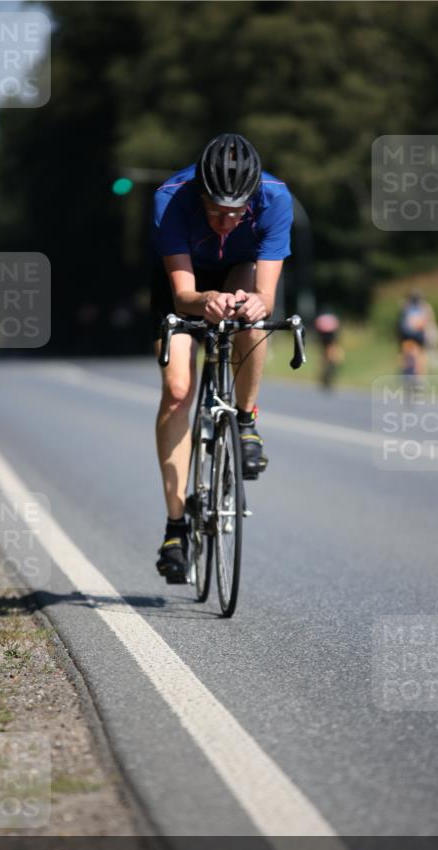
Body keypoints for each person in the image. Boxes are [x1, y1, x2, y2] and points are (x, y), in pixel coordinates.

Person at [151, 133, 293, 583]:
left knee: (252, 319)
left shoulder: (276, 199)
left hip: (239, 272)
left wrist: (253, 305)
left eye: (236, 213)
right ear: (200, 195)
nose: (226, 223)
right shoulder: (171, 199)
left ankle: (246, 421)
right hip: (186, 283)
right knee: (178, 391)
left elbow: (266, 296)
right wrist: (206, 299)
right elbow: (183, 295)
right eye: (215, 212)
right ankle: (176, 528)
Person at [396, 290, 438, 380]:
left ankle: (409, 375)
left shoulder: (407, 307)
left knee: (408, 354)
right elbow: (425, 321)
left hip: (408, 336)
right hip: (417, 336)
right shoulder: (422, 308)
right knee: (418, 355)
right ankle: (417, 376)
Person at [314, 311, 344, 390]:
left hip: (325, 340)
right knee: (331, 355)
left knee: (325, 356)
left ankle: (325, 369)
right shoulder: (332, 322)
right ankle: (330, 367)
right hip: (329, 340)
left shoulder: (322, 321)